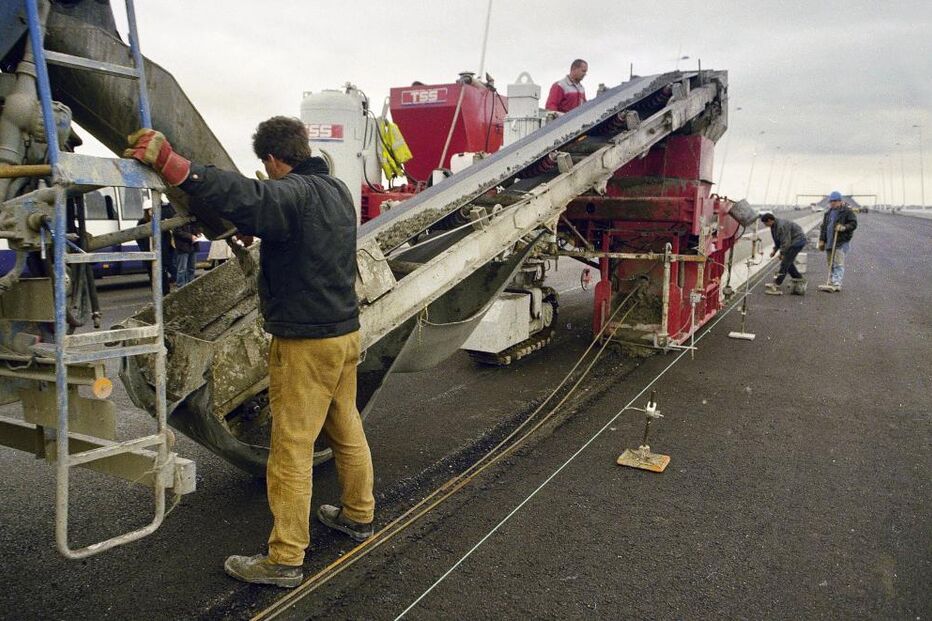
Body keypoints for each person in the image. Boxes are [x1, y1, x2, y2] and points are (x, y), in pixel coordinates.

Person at [123, 117, 375, 588]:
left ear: (274, 160)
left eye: (268, 166)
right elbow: (292, 229)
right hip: (345, 335)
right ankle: (359, 515)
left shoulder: (292, 193)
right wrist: (257, 230)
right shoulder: (337, 192)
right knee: (346, 426)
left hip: (306, 343)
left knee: (291, 449)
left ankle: (284, 557)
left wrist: (177, 167)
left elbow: (253, 197)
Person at [817, 191, 858, 292]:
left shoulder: (847, 212)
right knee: (830, 262)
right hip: (830, 241)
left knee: (838, 263)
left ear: (840, 201)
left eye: (835, 201)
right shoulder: (828, 213)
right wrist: (822, 240)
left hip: (841, 241)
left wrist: (844, 227)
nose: (832, 203)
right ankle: (830, 281)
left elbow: (853, 224)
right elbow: (824, 227)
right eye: (831, 201)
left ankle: (837, 283)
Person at [760, 212, 807, 295]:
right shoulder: (773, 226)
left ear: (770, 220)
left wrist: (782, 253)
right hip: (791, 242)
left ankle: (777, 284)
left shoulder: (781, 226)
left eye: (765, 223)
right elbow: (777, 240)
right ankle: (799, 279)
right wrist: (774, 250)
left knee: (785, 262)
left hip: (797, 241)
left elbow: (785, 241)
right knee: (788, 262)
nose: (765, 225)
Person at [135, 203, 175, 293]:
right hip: (149, 252)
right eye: (150, 209)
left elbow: (167, 237)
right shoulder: (142, 222)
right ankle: (156, 293)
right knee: (152, 275)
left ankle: (165, 293)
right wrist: (143, 248)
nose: (152, 211)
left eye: (153, 209)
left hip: (161, 253)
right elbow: (138, 237)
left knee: (162, 274)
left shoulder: (160, 222)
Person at [172, 221, 200, 287]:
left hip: (193, 246)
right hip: (183, 247)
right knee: (182, 269)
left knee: (192, 268)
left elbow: (196, 228)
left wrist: (198, 232)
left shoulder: (192, 218)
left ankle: (190, 285)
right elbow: (177, 232)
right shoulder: (177, 218)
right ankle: (181, 286)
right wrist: (191, 236)